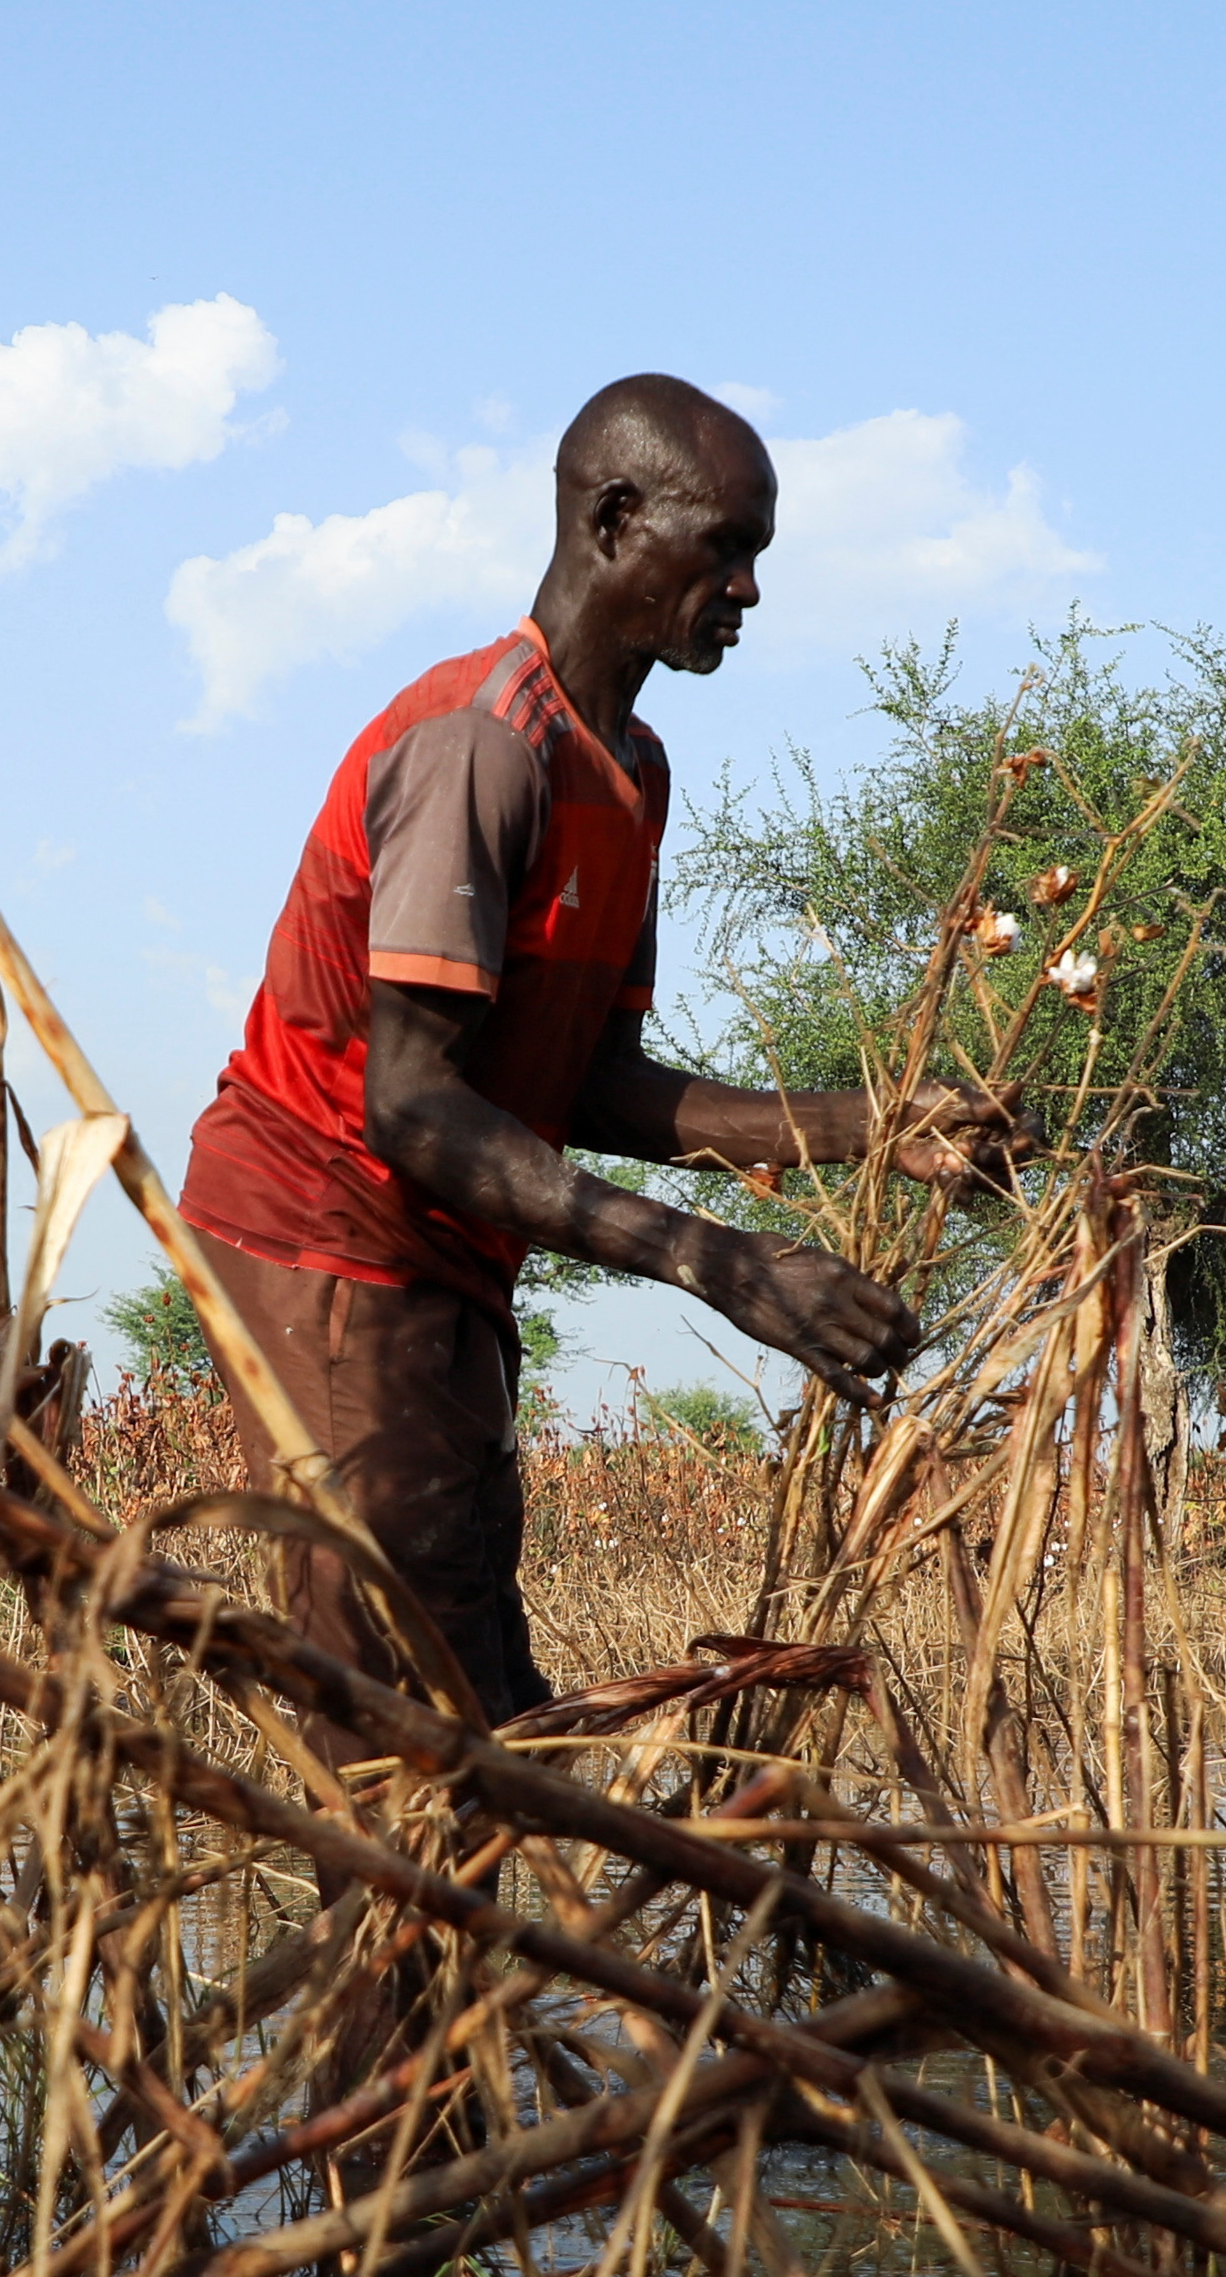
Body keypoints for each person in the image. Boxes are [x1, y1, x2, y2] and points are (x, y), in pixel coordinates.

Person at [176, 373, 1017, 1721]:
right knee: (401, 1718)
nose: (747, 592)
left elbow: (596, 1087)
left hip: (446, 1266)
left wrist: (871, 1125)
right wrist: (712, 1259)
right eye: (727, 548)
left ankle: (469, 1915)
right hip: (325, 1244)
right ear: (617, 521)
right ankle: (397, 1919)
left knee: (483, 1686)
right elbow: (412, 1108)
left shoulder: (631, 770)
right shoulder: (477, 748)